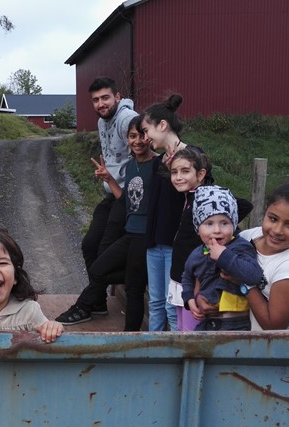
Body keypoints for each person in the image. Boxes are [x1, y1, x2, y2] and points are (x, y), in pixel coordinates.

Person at [56, 116, 154, 330]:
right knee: (99, 269)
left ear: (151, 136)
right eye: (132, 136)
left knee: (134, 291)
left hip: (146, 236)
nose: (138, 141)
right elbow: (127, 201)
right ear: (127, 139)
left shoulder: (159, 165)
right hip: (130, 233)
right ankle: (134, 275)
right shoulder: (131, 166)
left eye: (142, 135)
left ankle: (130, 339)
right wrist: (109, 179)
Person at [166, 147, 253, 331]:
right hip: (184, 281)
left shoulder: (205, 197)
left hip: (201, 291)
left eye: (223, 222)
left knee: (190, 335)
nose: (216, 229)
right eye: (174, 172)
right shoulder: (187, 198)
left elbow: (245, 205)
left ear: (201, 174)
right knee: (180, 329)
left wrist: (221, 232)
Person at [79, 77, 139, 316]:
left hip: (128, 197)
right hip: (111, 193)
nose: (101, 104)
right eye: (95, 100)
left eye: (105, 97)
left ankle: (88, 303)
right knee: (89, 245)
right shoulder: (102, 121)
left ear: (117, 96)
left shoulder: (126, 118)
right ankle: (99, 300)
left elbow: (145, 139)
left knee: (104, 252)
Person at [140, 94, 200, 331]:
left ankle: (175, 356)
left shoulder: (192, 157)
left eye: (147, 131)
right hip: (154, 244)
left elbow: (201, 199)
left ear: (162, 125)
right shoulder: (157, 163)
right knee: (155, 302)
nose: (146, 138)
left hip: (178, 246)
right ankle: (153, 356)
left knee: (172, 306)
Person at [234, 182, 289, 330]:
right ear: (265, 212)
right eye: (273, 219)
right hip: (249, 344)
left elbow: (274, 327)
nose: (277, 230)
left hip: (284, 350)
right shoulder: (250, 236)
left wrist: (243, 281)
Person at [181, 185, 263, 331]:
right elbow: (187, 276)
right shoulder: (197, 253)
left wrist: (224, 256)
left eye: (224, 223)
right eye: (209, 224)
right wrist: (189, 299)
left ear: (234, 224)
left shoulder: (240, 247)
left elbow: (254, 275)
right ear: (197, 228)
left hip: (237, 325)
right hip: (207, 324)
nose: (217, 230)